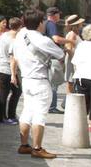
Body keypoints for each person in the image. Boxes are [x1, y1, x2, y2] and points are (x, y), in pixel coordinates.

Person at [12, 10, 66, 159]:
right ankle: (37, 148)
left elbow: (15, 56)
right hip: (39, 81)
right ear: (40, 23)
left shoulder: (20, 35)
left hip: (26, 79)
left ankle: (24, 145)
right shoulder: (42, 40)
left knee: (26, 112)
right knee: (39, 116)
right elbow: (60, 54)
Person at [0, 17, 22, 124]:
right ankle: (4, 118)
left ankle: (10, 115)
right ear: (19, 27)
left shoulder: (4, 35)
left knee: (14, 91)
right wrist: (13, 75)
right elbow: (13, 58)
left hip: (1, 67)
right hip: (7, 69)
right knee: (6, 93)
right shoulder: (14, 40)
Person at [45, 6, 66, 113]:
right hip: (52, 58)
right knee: (53, 83)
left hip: (47, 57)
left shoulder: (45, 24)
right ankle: (52, 107)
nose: (59, 16)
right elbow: (56, 38)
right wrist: (70, 41)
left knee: (50, 82)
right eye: (58, 14)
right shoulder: (51, 24)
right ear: (54, 15)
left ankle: (50, 106)